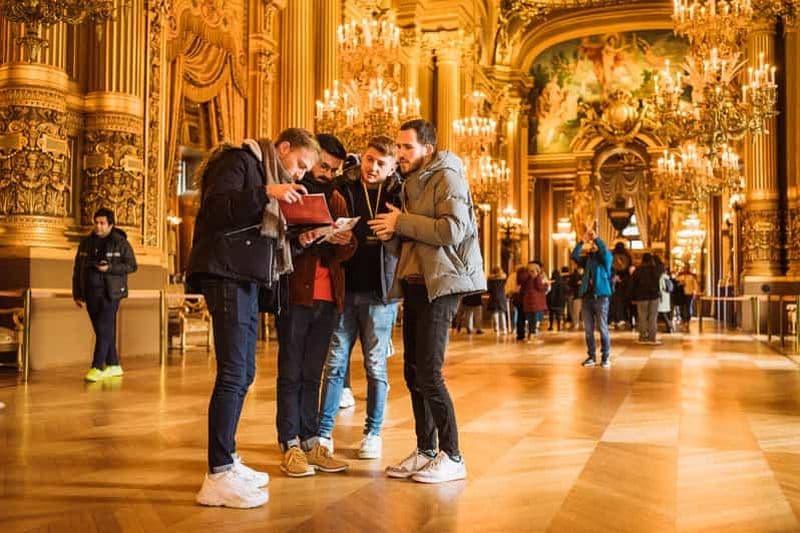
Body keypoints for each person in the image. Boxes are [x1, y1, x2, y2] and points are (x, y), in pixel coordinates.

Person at [187, 128, 316, 508]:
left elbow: (257, 232)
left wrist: (299, 240)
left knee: (243, 373)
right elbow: (214, 210)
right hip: (224, 273)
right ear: (284, 148)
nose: (299, 175)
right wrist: (266, 194)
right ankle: (217, 475)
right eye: (299, 165)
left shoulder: (267, 176)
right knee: (232, 372)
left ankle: (227, 459)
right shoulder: (240, 161)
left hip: (242, 276)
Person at [369, 119, 485, 484]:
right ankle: (426, 450)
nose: (400, 154)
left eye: (407, 147)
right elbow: (409, 236)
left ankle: (453, 456)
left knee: (430, 374)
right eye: (399, 147)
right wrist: (390, 230)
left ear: (427, 150)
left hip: (443, 282)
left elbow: (453, 230)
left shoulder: (447, 177)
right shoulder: (408, 184)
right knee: (413, 372)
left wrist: (401, 222)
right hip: (417, 281)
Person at [275, 133, 356, 478]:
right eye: (322, 166)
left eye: (333, 169)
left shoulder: (337, 197)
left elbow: (346, 254)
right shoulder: (292, 190)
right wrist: (304, 238)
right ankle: (289, 443)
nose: (326, 173)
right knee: (291, 372)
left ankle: (311, 441)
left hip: (328, 296)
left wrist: (345, 239)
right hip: (296, 294)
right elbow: (278, 238)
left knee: (313, 373)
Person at [317, 135, 402, 460]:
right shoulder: (343, 187)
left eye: (381, 163)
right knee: (335, 363)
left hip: (382, 294)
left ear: (392, 166)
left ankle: (373, 432)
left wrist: (395, 231)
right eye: (369, 159)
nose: (373, 167)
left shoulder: (399, 193)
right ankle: (324, 432)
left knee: (376, 366)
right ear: (362, 158)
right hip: (345, 287)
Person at [72, 207, 137, 383]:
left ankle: (96, 366)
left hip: (111, 293)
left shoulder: (120, 242)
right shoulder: (85, 243)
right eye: (96, 223)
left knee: (104, 330)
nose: (98, 227)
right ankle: (114, 364)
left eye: (102, 223)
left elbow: (132, 266)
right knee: (103, 331)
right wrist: (77, 293)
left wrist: (109, 268)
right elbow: (77, 269)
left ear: (110, 225)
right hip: (90, 293)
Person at [571, 228, 613, 368]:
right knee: (588, 329)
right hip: (587, 297)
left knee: (602, 327)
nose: (593, 245)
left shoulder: (605, 259)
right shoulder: (587, 260)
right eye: (592, 244)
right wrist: (582, 241)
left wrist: (596, 238)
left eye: (595, 244)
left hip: (600, 297)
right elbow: (574, 255)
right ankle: (591, 356)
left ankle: (606, 357)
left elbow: (604, 252)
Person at [630, 253, 661, 345]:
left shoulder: (638, 271)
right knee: (653, 317)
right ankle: (652, 337)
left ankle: (642, 336)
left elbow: (632, 285)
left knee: (642, 317)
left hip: (641, 297)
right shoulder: (655, 271)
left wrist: (632, 297)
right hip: (654, 296)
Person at [487, 266, 509, 335]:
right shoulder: (503, 279)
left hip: (493, 297)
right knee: (502, 314)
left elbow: (489, 290)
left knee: (495, 313)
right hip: (502, 297)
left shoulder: (490, 280)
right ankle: (504, 329)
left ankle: (496, 329)